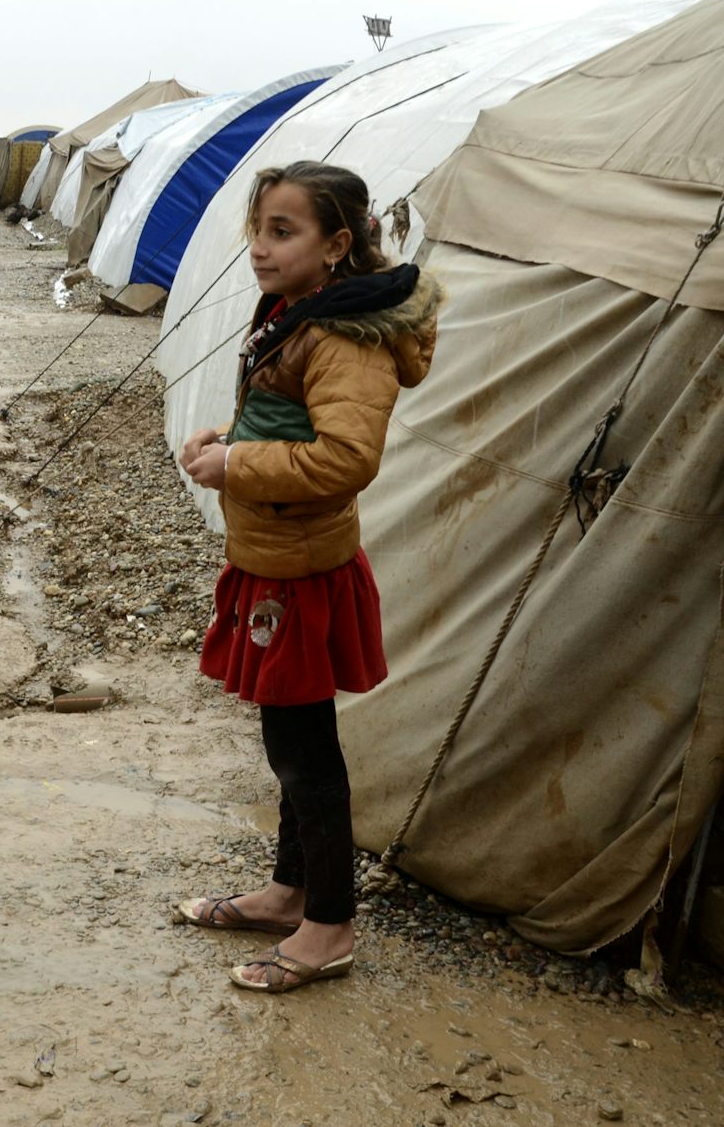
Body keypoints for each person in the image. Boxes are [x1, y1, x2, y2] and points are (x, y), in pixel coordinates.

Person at [173, 161, 441, 994]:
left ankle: (329, 924)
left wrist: (235, 465)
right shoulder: (301, 311)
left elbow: (345, 457)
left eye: (281, 233)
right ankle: (291, 892)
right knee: (289, 743)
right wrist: (229, 435)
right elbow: (287, 412)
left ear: (336, 245)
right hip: (274, 557)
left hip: (301, 573)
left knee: (305, 751)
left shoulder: (348, 337)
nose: (258, 248)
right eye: (256, 229)